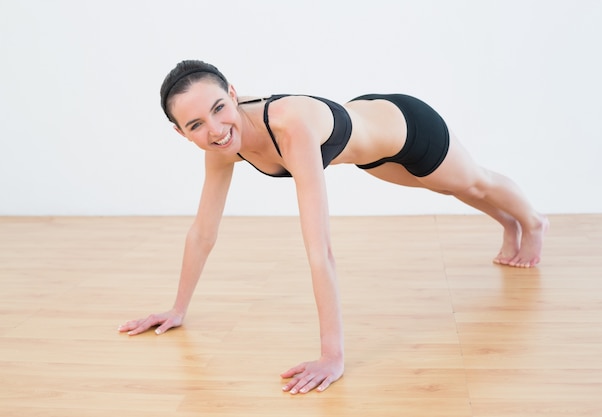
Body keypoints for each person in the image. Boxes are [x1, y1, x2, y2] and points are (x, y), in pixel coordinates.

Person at [118, 59, 548, 395]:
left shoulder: (289, 126)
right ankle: (509, 227)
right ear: (180, 132)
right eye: (196, 125)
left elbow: (320, 249)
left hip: (407, 127)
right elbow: (203, 232)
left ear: (232, 94)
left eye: (218, 108)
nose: (214, 128)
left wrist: (332, 357)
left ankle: (532, 223)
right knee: (450, 189)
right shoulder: (220, 144)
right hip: (369, 152)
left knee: (474, 181)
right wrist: (177, 309)